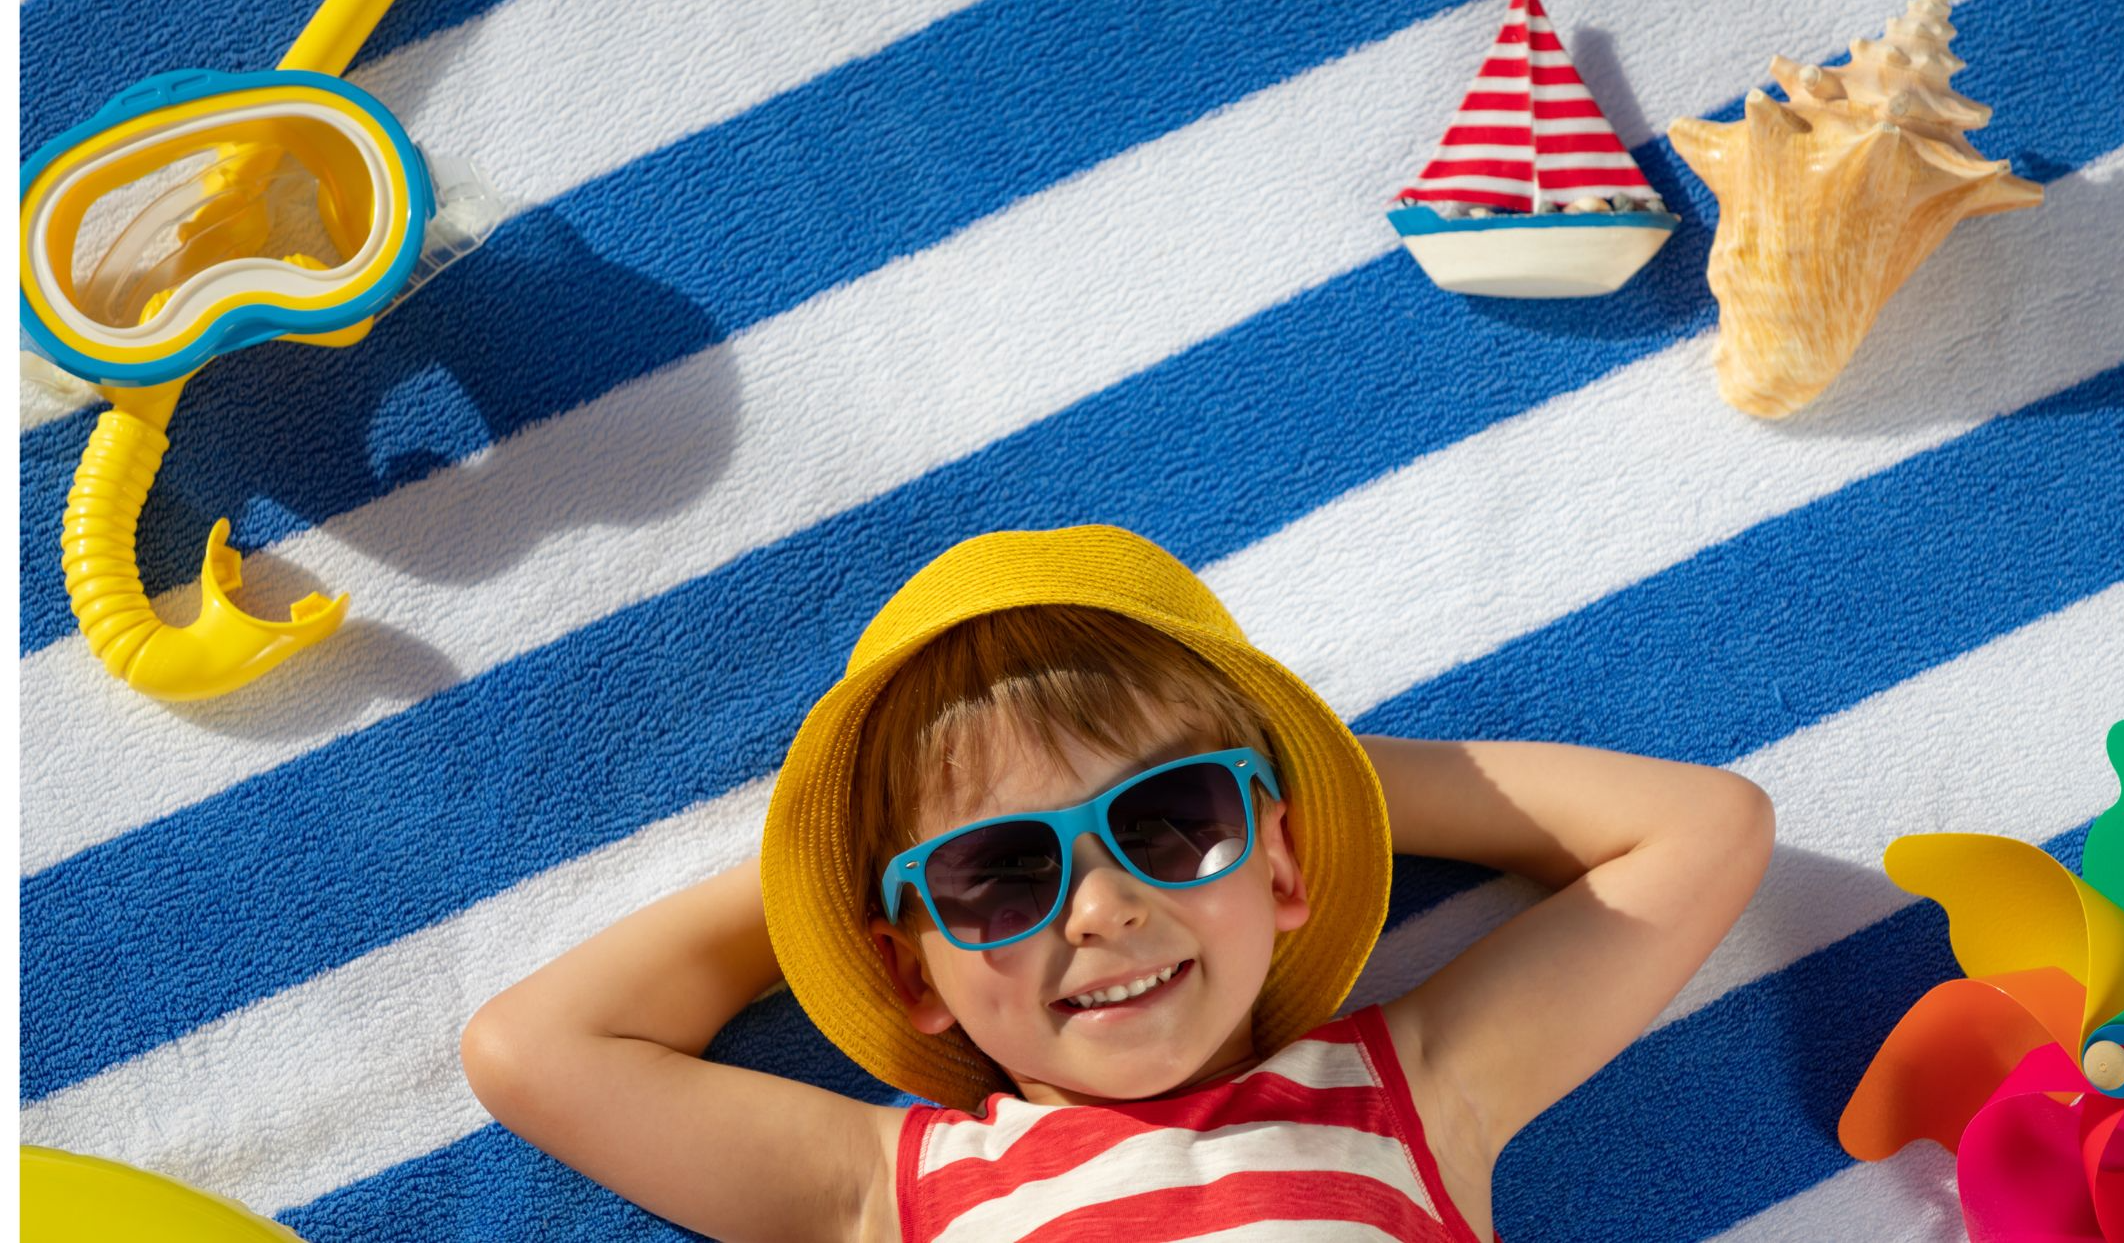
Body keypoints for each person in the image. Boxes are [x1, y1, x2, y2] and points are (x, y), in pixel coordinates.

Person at [461, 524, 1774, 1242]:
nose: (1099, 907)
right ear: (909, 967)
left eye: (1171, 818)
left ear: (1282, 861)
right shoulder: (895, 1190)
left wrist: (1302, 779)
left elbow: (1703, 828)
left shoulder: (1416, 1095)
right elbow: (535, 1047)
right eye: (995, 874)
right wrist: (831, 874)